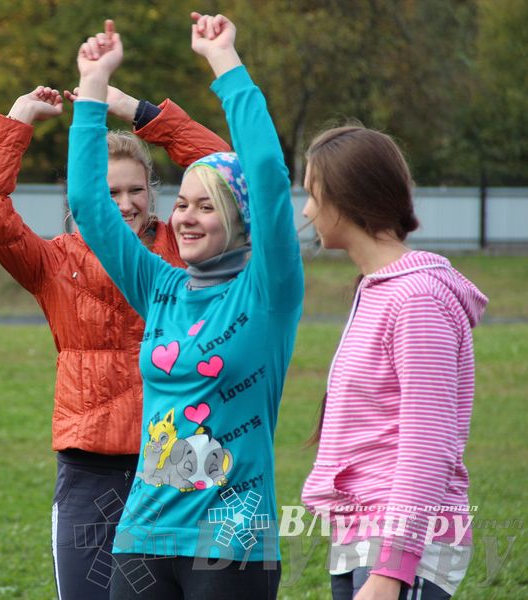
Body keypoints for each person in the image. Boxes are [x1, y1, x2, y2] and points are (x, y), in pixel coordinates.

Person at [67, 15, 304, 599]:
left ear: (241, 219)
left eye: (207, 206)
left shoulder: (268, 290)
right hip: (143, 534)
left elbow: (269, 177)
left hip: (232, 541)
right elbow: (89, 204)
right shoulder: (159, 285)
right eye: (182, 203)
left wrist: (224, 62)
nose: (185, 217)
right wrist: (93, 85)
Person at [0, 78, 229, 598]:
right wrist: (16, 120)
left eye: (136, 190)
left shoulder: (188, 246)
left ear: (153, 191)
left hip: (184, 459)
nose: (126, 204)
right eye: (109, 192)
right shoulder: (53, 262)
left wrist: (137, 110)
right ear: (84, 197)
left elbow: (228, 170)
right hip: (91, 465)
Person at [299, 126, 487, 599]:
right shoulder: (380, 289)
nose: (306, 211)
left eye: (313, 194)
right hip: (363, 535)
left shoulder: (417, 298)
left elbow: (428, 443)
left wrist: (392, 568)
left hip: (401, 547)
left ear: (348, 197)